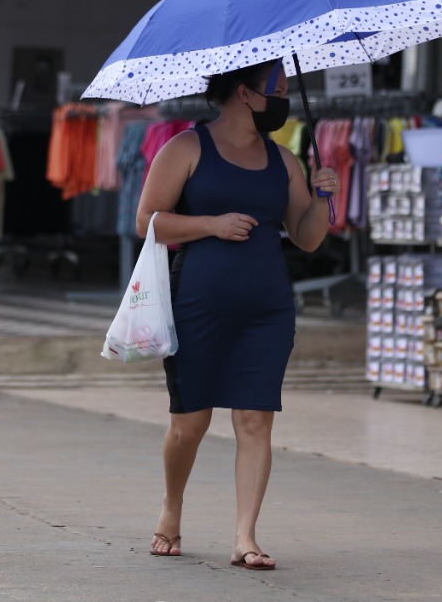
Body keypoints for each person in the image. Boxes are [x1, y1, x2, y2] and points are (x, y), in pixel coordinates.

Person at [135, 58, 338, 570]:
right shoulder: (185, 147)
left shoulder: (284, 159)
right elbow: (147, 222)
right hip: (198, 303)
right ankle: (171, 508)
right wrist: (212, 224)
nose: (284, 100)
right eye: (278, 90)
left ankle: (246, 536)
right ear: (245, 94)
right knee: (191, 422)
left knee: (255, 419)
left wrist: (323, 198)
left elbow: (308, 237)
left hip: (267, 307)